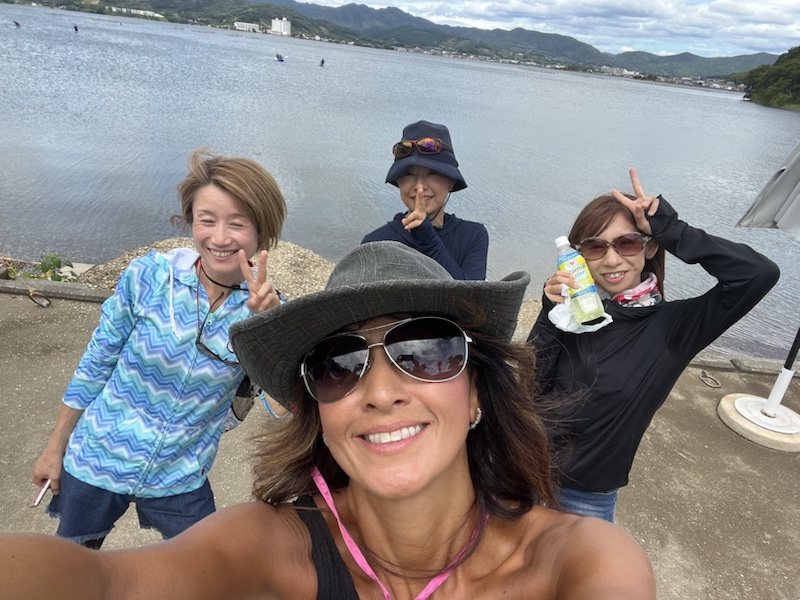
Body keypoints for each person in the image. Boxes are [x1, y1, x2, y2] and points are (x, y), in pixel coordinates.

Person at [2, 241, 655, 599]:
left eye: (425, 351)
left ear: (478, 389)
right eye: (338, 365)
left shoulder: (578, 563)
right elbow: (107, 585)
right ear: (317, 411)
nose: (380, 391)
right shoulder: (268, 546)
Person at [30, 148, 287, 548]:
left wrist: (268, 329)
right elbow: (96, 362)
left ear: (262, 231)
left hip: (180, 476)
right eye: (206, 220)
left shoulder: (269, 310)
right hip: (97, 458)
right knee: (73, 565)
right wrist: (54, 447)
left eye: (237, 224)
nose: (220, 238)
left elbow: (283, 407)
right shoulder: (148, 277)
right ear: (190, 220)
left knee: (205, 567)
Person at [527, 167, 780, 522]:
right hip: (517, 473)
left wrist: (670, 227)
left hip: (584, 500)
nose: (611, 260)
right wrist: (549, 314)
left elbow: (757, 274)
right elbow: (527, 388)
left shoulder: (674, 328)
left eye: (627, 243)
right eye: (596, 246)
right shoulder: (571, 314)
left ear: (650, 246)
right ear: (579, 254)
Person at [362, 120, 489, 280]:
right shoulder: (374, 244)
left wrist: (428, 240)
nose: (419, 186)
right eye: (408, 174)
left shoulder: (472, 236)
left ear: (451, 181)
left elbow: (471, 295)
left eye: (433, 173)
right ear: (399, 181)